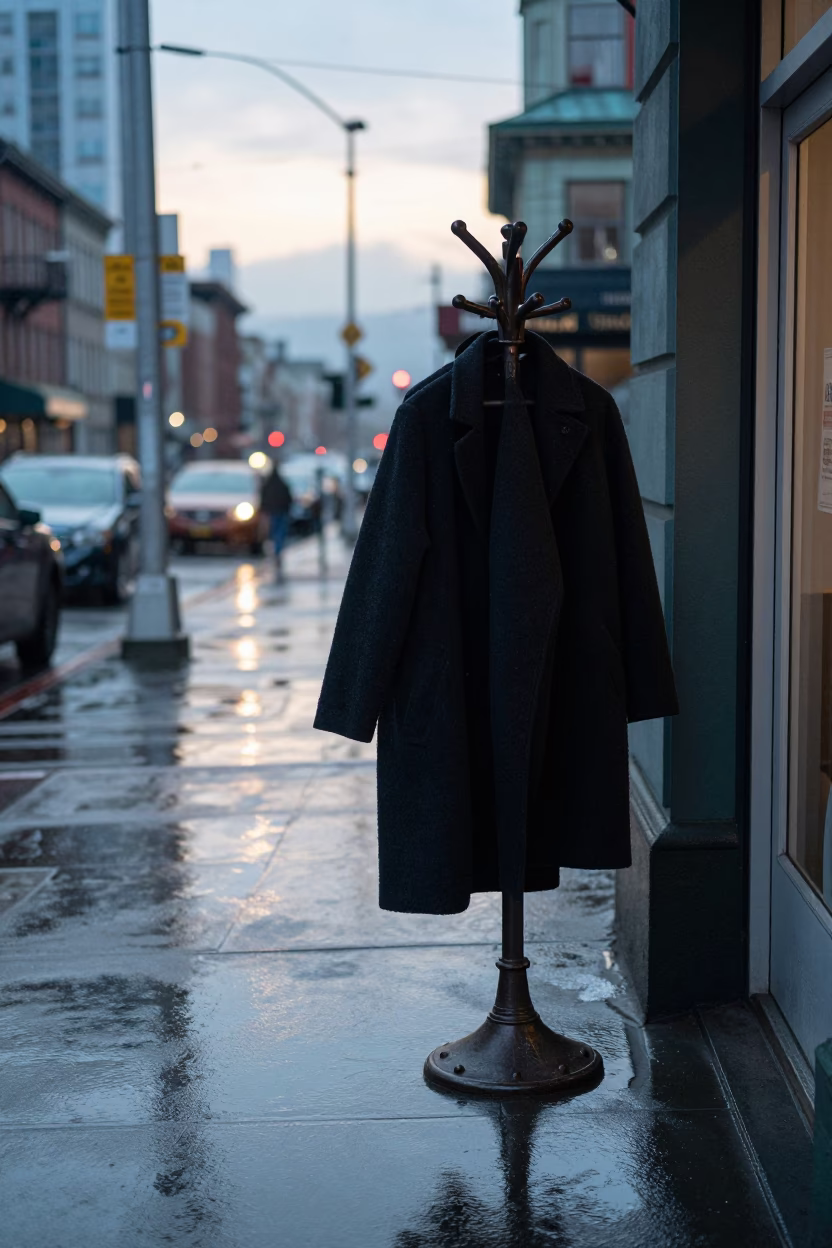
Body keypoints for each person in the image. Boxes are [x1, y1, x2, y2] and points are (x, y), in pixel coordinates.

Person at [259, 461, 293, 578]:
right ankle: (278, 551)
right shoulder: (282, 484)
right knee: (279, 533)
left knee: (274, 532)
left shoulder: (268, 484)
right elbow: (289, 498)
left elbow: (263, 498)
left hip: (273, 512)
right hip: (281, 512)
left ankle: (277, 551)